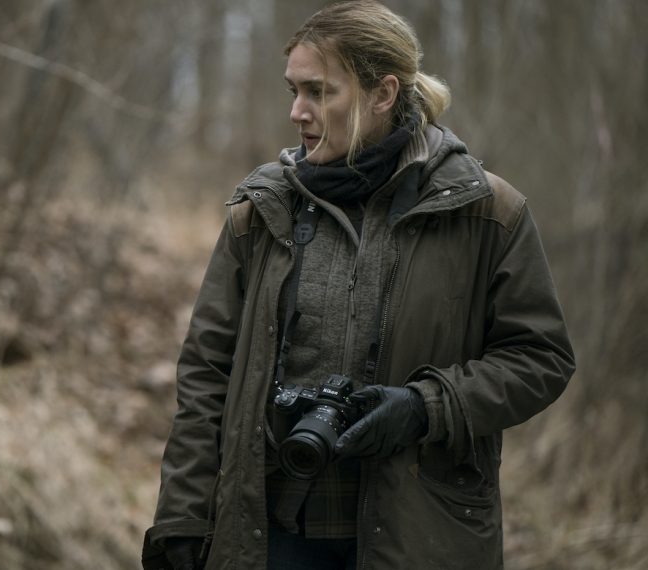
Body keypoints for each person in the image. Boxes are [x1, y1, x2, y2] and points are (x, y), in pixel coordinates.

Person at [142, 2, 575, 569]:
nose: (297, 112)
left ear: (383, 93)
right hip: (272, 532)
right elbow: (206, 373)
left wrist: (425, 407)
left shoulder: (487, 212)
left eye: (319, 92)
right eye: (292, 90)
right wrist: (183, 515)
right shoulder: (261, 209)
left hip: (424, 531)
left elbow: (541, 358)